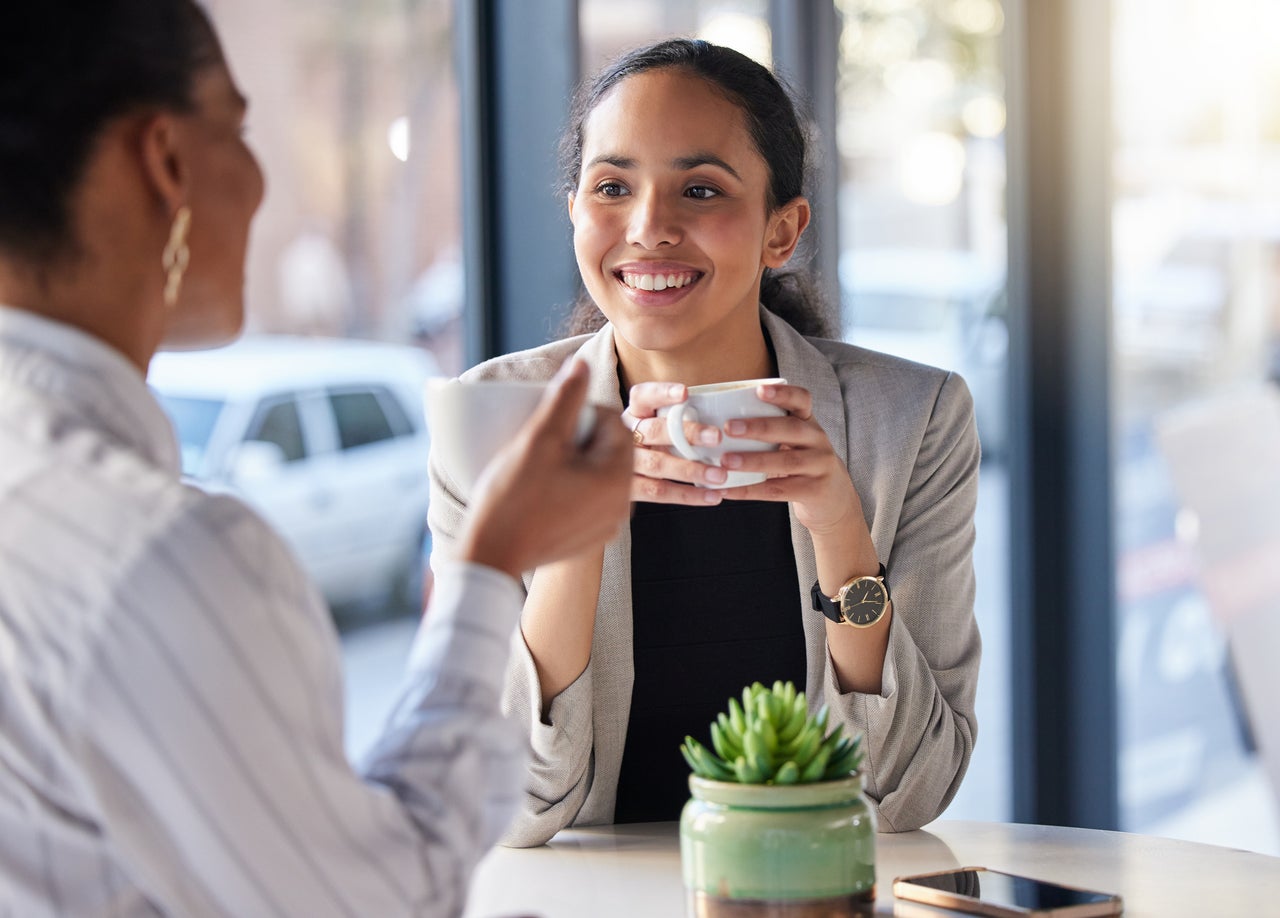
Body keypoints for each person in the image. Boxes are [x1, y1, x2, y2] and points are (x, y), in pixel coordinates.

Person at [0, 3, 633, 916]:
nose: (262, 175)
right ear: (166, 160)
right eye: (239, 125)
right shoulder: (159, 554)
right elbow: (381, 899)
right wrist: (489, 566)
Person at [428, 38, 982, 846]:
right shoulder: (490, 418)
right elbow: (498, 804)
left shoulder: (915, 419)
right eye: (612, 186)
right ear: (576, 211)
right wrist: (575, 529)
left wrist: (839, 527)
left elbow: (911, 790)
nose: (650, 227)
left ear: (781, 231)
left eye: (700, 189)